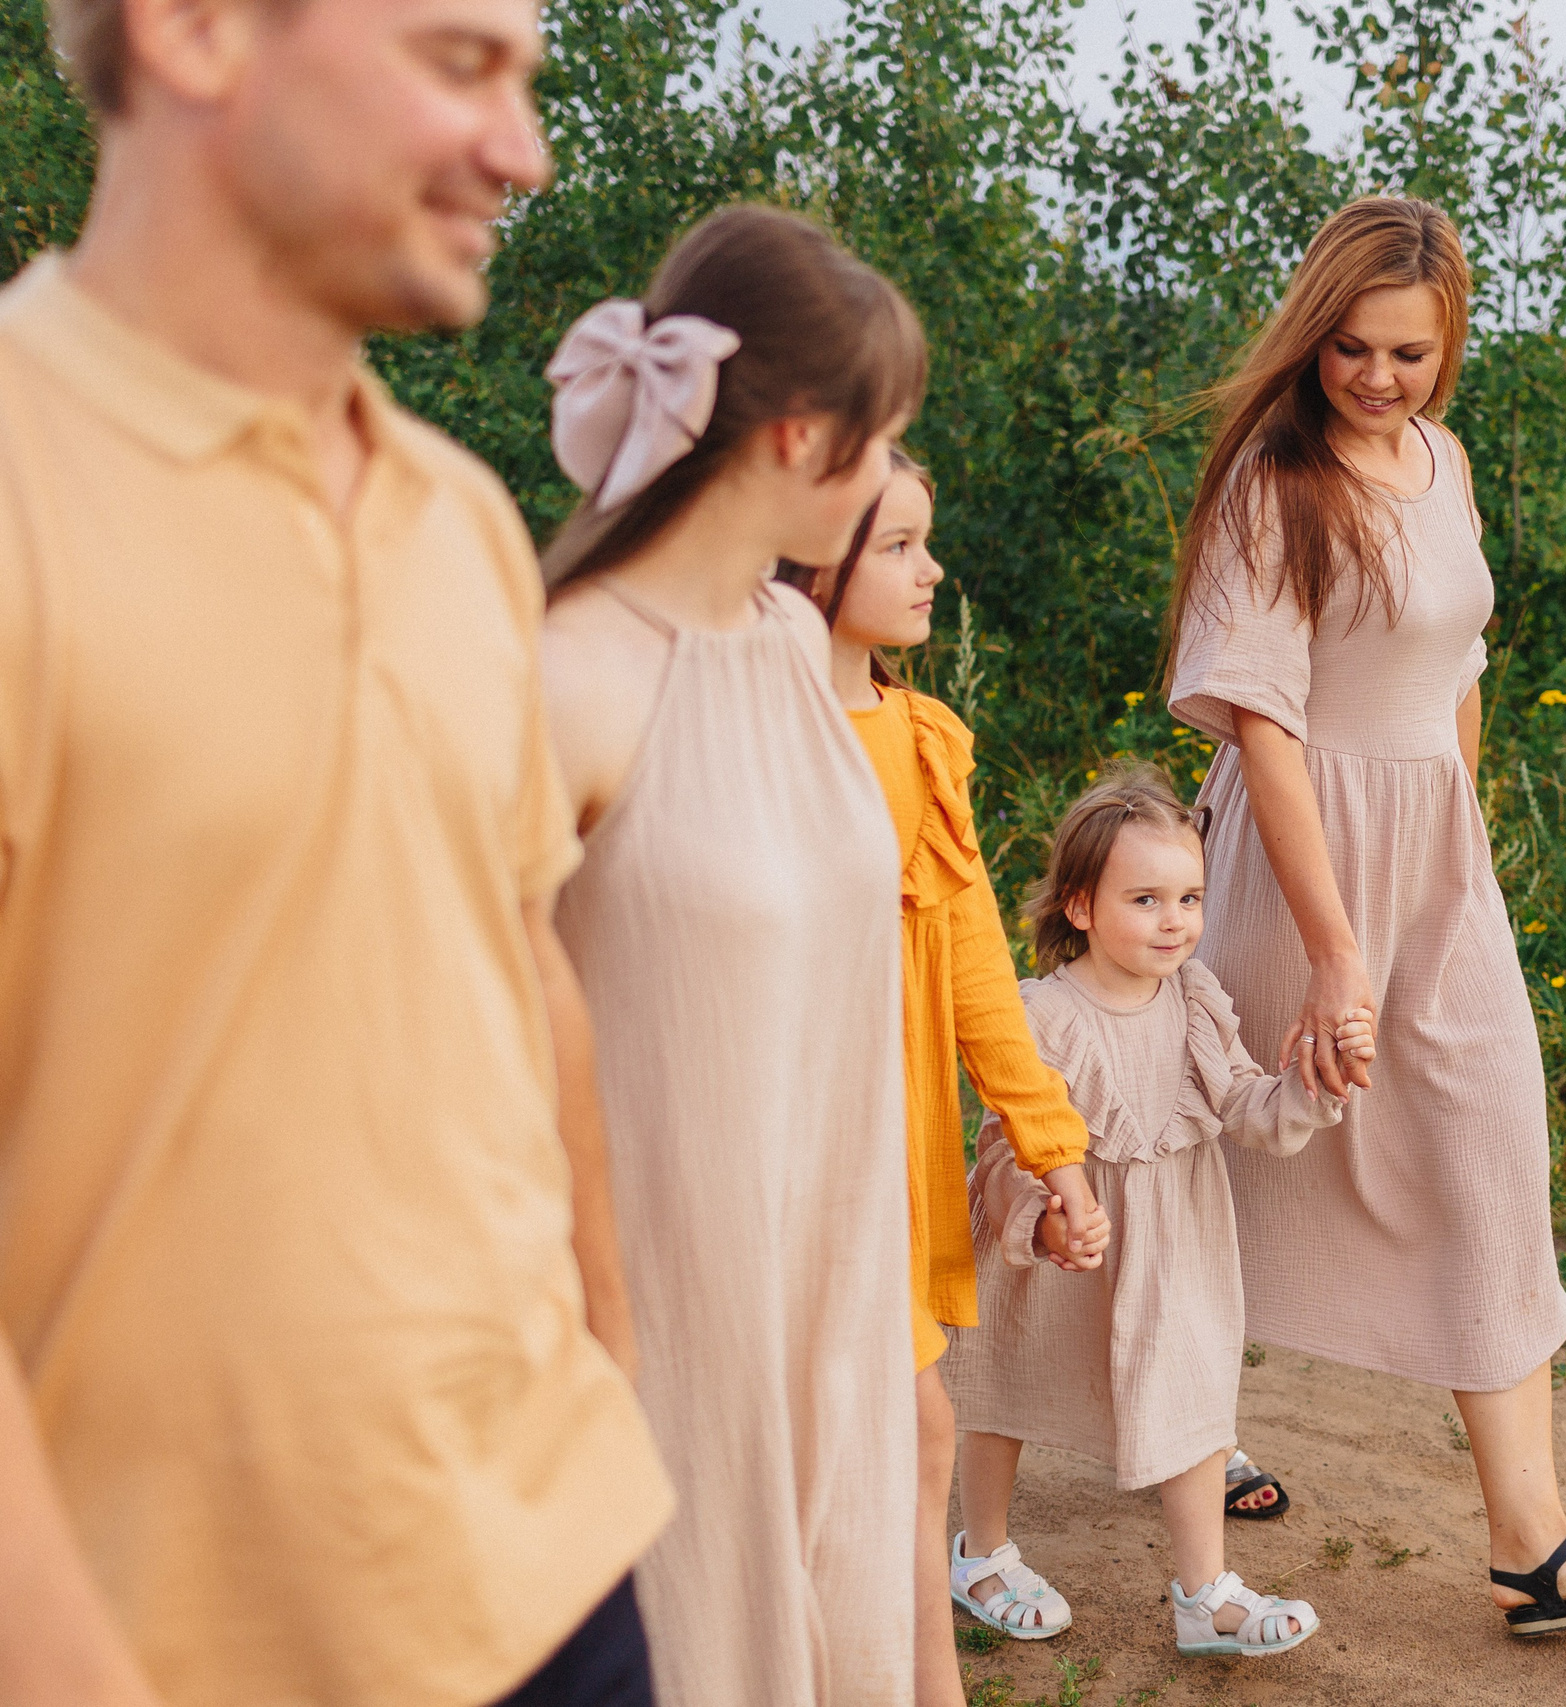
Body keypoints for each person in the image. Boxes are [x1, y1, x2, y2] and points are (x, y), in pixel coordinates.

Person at [0, 0, 675, 1700]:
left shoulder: (455, 514)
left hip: (552, 1577)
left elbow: (523, 973)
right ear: (200, 33)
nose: (519, 150)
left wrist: (613, 1387)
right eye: (461, 64)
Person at [1165, 195, 1566, 1636]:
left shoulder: (1441, 457)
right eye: (1348, 348)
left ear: (1450, 339)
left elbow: (1463, 656)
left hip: (1435, 850)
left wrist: (1462, 834)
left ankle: (1532, 1543)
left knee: (1488, 1145)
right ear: (1311, 337)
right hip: (1301, 854)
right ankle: (1177, 1424)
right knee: (1225, 1148)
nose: (1376, 378)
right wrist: (1334, 940)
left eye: (1407, 351)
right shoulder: (1273, 484)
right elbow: (1266, 724)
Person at [537, 205, 926, 1707]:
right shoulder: (573, 671)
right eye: (882, 437)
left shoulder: (788, 645)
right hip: (664, 1293)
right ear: (794, 436)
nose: (892, 475)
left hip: (828, 1252)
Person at [781, 450, 1110, 1707]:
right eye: (899, 547)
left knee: (914, 1429)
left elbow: (975, 971)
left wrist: (1054, 1151)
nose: (933, 570)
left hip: (890, 1142)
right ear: (808, 555)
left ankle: (925, 1687)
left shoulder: (923, 739)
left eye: (927, 540)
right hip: (778, 1138)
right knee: (823, 1443)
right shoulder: (739, 726)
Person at [944, 769, 1365, 1659]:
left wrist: (1313, 1083)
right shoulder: (1042, 1014)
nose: (1175, 919)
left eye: (1190, 897)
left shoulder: (1195, 1000)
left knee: (1194, 1394)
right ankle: (980, 1552)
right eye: (1146, 898)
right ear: (1081, 905)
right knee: (1005, 1386)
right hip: (1065, 1249)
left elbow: (1251, 1107)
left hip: (1178, 1242)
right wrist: (1047, 1217)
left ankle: (1205, 1597)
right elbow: (998, 1145)